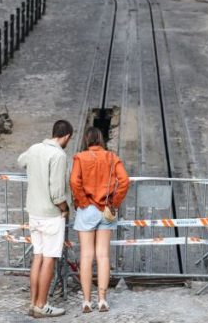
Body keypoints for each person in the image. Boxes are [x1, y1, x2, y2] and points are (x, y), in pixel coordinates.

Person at [69, 127, 129, 313]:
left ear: (87, 140)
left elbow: (74, 181)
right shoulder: (112, 157)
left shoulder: (80, 157)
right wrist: (114, 202)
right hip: (106, 210)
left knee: (86, 256)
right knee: (103, 256)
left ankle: (86, 301)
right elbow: (124, 181)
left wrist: (82, 201)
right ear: (101, 140)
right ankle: (102, 300)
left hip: (87, 209)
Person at [18, 120, 73, 318]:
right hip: (51, 214)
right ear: (67, 136)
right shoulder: (59, 155)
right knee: (49, 259)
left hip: (34, 212)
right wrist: (65, 208)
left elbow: (21, 161)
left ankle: (33, 303)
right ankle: (42, 304)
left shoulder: (35, 148)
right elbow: (57, 192)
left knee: (38, 257)